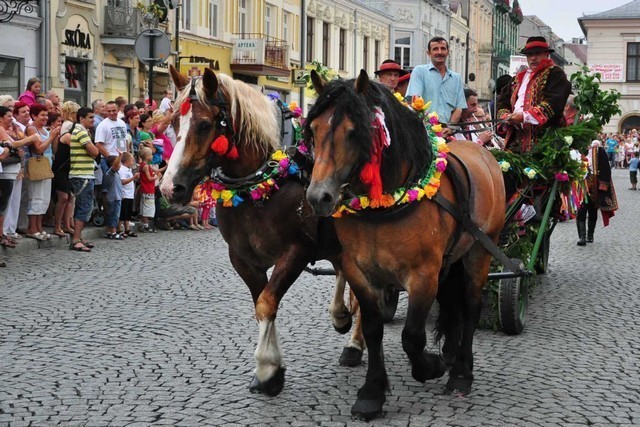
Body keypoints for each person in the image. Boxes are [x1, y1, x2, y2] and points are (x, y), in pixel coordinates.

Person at [497, 36, 572, 153]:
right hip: (516, 142)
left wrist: (524, 116)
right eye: (529, 55)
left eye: (537, 54)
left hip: (546, 142)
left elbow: (554, 102)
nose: (533, 58)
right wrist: (506, 116)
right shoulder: (517, 79)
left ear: (546, 54)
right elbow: (503, 101)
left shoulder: (555, 74)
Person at [406, 36, 466, 127]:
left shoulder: (456, 78)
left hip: (449, 130)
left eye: (443, 49)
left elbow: (459, 108)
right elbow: (415, 101)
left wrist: (450, 127)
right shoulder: (419, 71)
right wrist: (431, 129)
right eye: (435, 49)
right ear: (429, 53)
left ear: (448, 52)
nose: (439, 52)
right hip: (425, 129)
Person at [24, 103, 61, 240]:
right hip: (36, 166)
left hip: (47, 166)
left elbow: (54, 150)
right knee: (36, 197)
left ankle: (39, 227)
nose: (45, 118)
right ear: (34, 116)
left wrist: (55, 137)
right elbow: (38, 149)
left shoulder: (45, 130)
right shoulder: (32, 129)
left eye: (46, 115)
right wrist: (51, 137)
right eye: (42, 115)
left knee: (44, 199)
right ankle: (32, 228)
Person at [68, 107, 99, 252]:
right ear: (81, 119)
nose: (93, 120)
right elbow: (94, 152)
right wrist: (93, 148)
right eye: (90, 117)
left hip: (85, 174)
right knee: (84, 207)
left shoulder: (82, 131)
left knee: (84, 207)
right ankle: (75, 240)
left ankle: (78, 237)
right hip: (82, 175)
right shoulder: (81, 132)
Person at [576, 141, 617, 246]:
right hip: (580, 187)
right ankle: (582, 237)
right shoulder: (577, 150)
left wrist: (603, 186)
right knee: (581, 211)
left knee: (592, 212)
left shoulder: (599, 152)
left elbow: (606, 169)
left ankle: (590, 235)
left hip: (594, 188)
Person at [52, 101, 80, 237]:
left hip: (67, 165)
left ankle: (67, 224)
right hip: (62, 165)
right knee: (64, 197)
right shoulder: (68, 125)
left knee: (69, 197)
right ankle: (59, 225)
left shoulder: (70, 125)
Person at [138, 146, 161, 232]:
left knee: (148, 207)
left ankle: (144, 224)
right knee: (146, 207)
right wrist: (156, 177)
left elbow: (157, 170)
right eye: (151, 154)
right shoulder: (145, 166)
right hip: (146, 189)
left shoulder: (147, 166)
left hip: (150, 189)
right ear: (147, 156)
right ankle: (145, 225)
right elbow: (149, 178)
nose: (152, 156)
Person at [102, 153, 125, 240]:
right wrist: (120, 156)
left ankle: (108, 231)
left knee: (113, 215)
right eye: (119, 163)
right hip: (113, 198)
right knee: (114, 215)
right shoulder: (110, 173)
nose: (120, 165)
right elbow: (115, 166)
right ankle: (113, 232)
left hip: (117, 197)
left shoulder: (116, 174)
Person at [117, 152, 139, 237]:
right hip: (124, 194)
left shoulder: (128, 169)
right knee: (122, 213)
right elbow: (123, 181)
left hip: (130, 195)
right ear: (127, 161)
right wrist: (133, 178)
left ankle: (127, 229)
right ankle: (119, 229)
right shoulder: (122, 169)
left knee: (128, 213)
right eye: (132, 160)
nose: (133, 162)